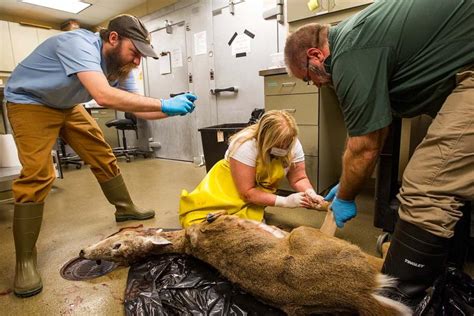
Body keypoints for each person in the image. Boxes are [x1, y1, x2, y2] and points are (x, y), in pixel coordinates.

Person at [284, 0, 473, 306]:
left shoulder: (349, 54)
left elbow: (365, 147)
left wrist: (345, 197)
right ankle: (443, 269)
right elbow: (372, 132)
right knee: (454, 175)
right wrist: (347, 181)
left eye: (309, 78)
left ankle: (396, 303)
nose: (315, 85)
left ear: (315, 55)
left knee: (427, 184)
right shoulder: (357, 35)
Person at [4, 14, 197, 298]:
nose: (136, 62)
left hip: (66, 105)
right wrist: (165, 103)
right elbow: (103, 96)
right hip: (29, 100)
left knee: (101, 152)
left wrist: (173, 109)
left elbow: (137, 110)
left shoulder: (118, 67)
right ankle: (25, 261)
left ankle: (125, 208)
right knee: (38, 173)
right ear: (113, 38)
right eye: (135, 53)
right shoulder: (78, 43)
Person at [179, 110, 324, 228]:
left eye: (287, 144)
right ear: (264, 139)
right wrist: (285, 202)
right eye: (278, 145)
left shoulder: (292, 143)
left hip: (254, 189)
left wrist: (309, 192)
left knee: (252, 226)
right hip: (230, 186)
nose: (284, 148)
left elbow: (299, 178)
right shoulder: (246, 144)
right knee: (208, 226)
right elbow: (247, 192)